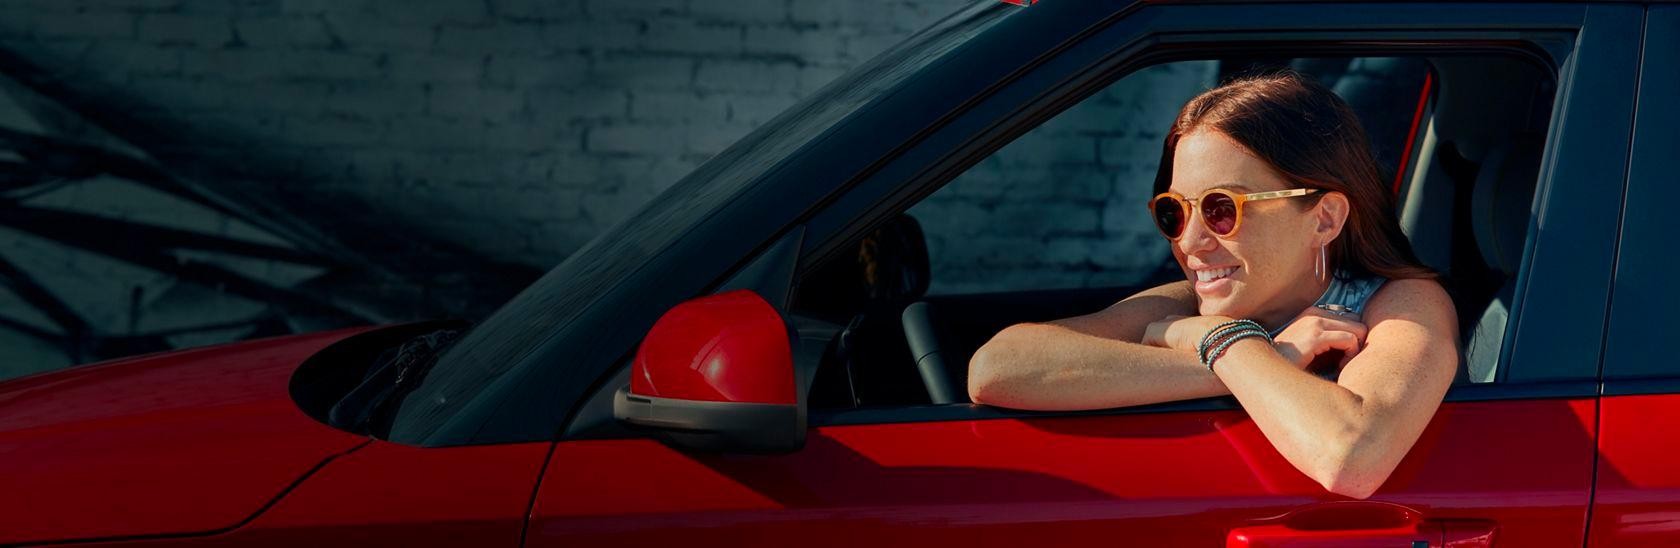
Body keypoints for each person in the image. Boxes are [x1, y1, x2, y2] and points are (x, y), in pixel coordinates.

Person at [965, 71, 1460, 500]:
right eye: (1174, 211)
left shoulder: (1402, 305)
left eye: (1223, 208)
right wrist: (1261, 355)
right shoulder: (1198, 302)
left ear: (1324, 219)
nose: (1190, 242)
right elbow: (996, 368)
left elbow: (1353, 457)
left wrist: (1219, 341)